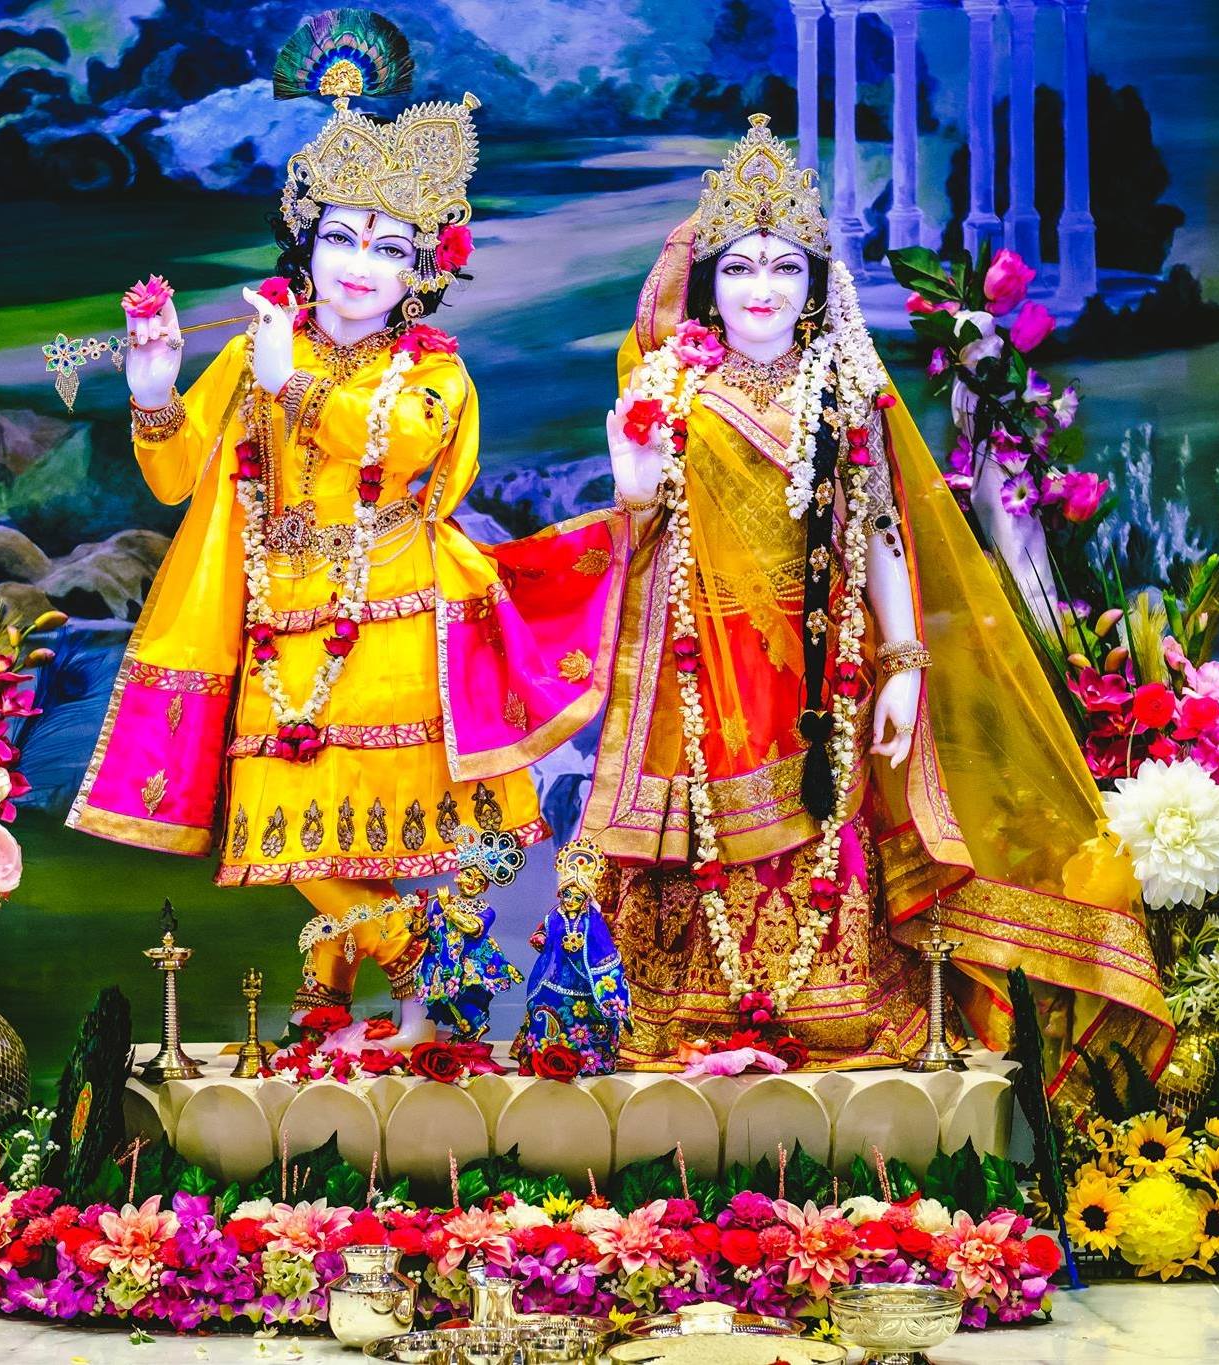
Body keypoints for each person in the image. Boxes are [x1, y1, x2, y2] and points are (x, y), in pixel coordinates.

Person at [67, 10, 624, 1045]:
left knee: (404, 842)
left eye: (389, 247)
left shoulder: (434, 371)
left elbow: (409, 456)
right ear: (305, 244)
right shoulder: (255, 348)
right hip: (278, 632)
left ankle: (409, 1017)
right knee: (293, 841)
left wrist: (298, 393)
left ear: (423, 270)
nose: (360, 265)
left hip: (399, 631)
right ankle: (415, 970)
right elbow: (183, 472)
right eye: (340, 238)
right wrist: (152, 392)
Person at [586, 115, 1170, 1091]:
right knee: (702, 854)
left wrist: (903, 664)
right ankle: (697, 1020)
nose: (762, 290)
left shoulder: (845, 384)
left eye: (783, 267)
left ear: (817, 282)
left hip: (823, 669)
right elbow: (641, 529)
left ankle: (832, 1016)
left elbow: (881, 529)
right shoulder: (669, 384)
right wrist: (636, 476)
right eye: (739, 269)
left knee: (825, 832)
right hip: (704, 671)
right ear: (706, 283)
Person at [513, 838, 631, 1076]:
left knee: (591, 1014)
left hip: (585, 978)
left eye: (577, 897)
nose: (570, 901)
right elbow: (542, 931)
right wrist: (540, 938)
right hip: (554, 973)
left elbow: (603, 946)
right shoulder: (554, 915)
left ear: (585, 899)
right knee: (542, 1003)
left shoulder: (592, 919)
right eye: (567, 895)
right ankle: (542, 1056)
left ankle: (589, 1060)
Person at [412, 824, 524, 1040]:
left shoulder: (485, 910)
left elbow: (472, 928)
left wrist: (449, 909)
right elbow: (421, 933)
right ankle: (464, 1032)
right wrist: (418, 910)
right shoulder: (440, 904)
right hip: (442, 963)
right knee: (446, 1000)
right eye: (468, 875)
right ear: (457, 875)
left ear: (484, 888)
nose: (472, 883)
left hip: (471, 964)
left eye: (479, 881)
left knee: (466, 997)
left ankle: (474, 1027)